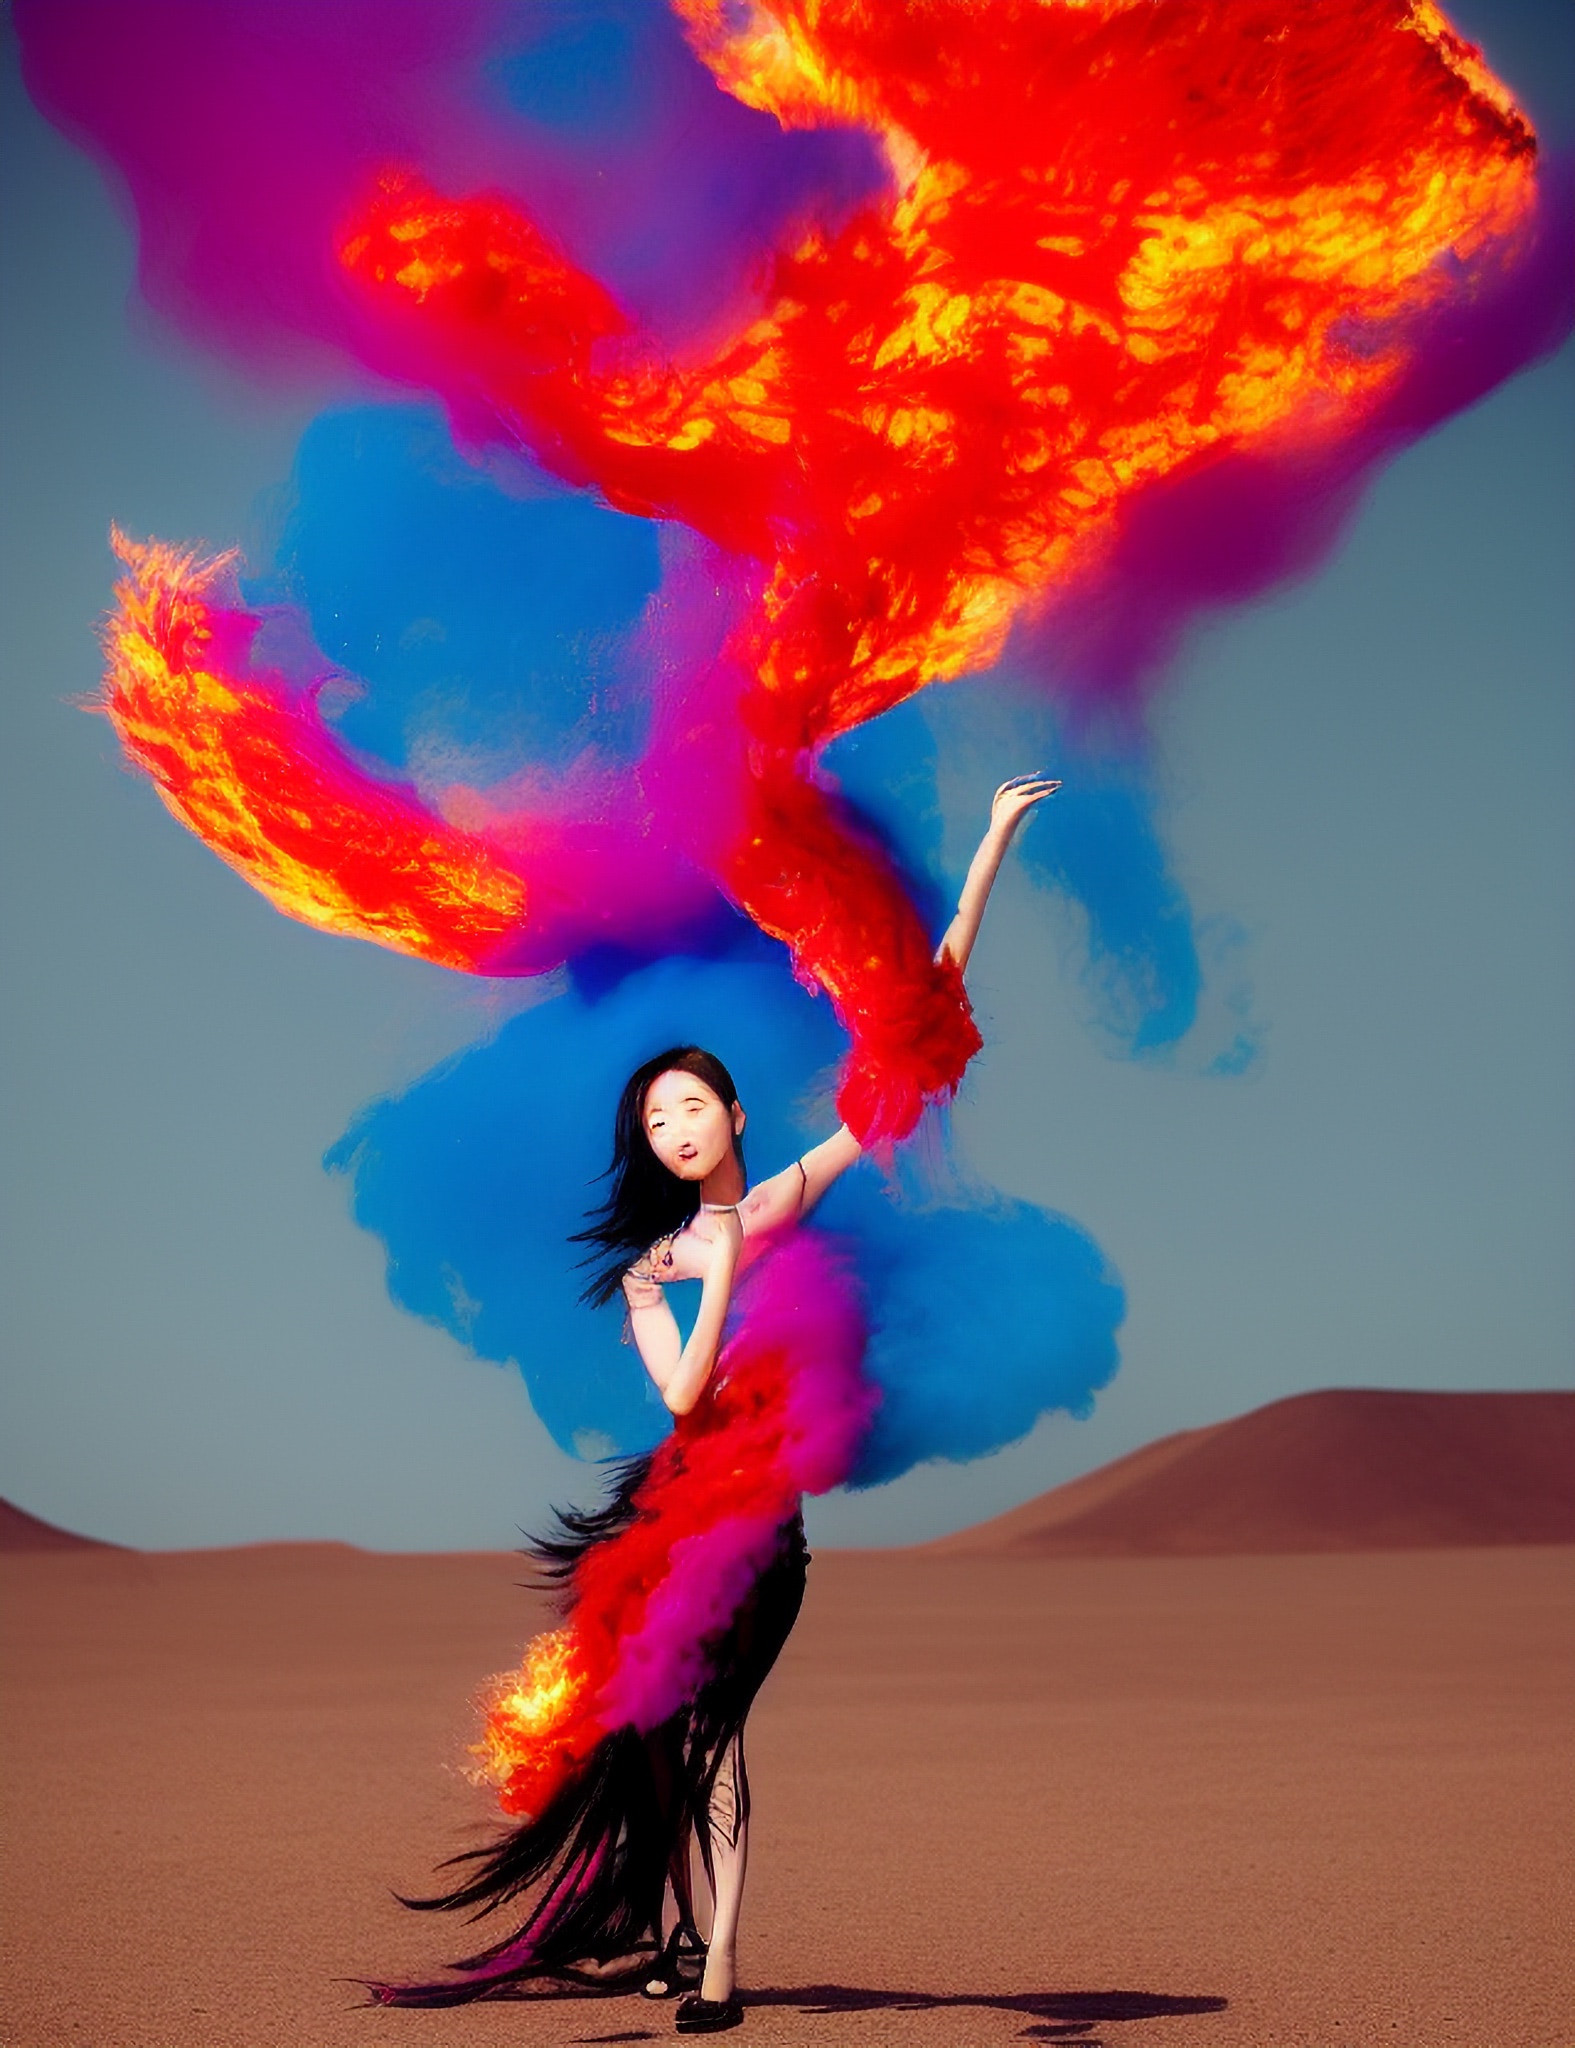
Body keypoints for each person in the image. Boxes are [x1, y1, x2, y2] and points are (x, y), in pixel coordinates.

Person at [368, 774, 1058, 2032]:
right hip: (677, 1516)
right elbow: (685, 1392)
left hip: (767, 1536)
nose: (675, 1124)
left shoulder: (787, 1193)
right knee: (661, 1745)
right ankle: (677, 1929)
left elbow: (912, 1033)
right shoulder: (654, 1268)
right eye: (654, 1117)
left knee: (717, 1739)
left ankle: (721, 1959)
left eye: (692, 1104)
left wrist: (991, 849)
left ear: (735, 1113)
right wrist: (725, 1254)